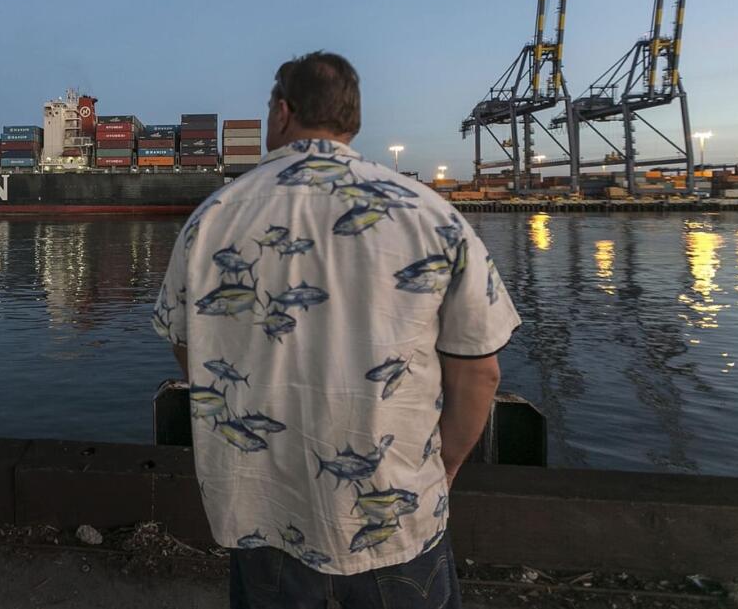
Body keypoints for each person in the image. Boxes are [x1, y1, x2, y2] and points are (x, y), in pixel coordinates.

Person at [153, 51, 519, 609]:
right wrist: (441, 470)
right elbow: (481, 372)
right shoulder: (432, 215)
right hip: (396, 520)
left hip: (265, 517)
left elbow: (191, 351)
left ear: (281, 112)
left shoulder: (212, 217)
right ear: (354, 120)